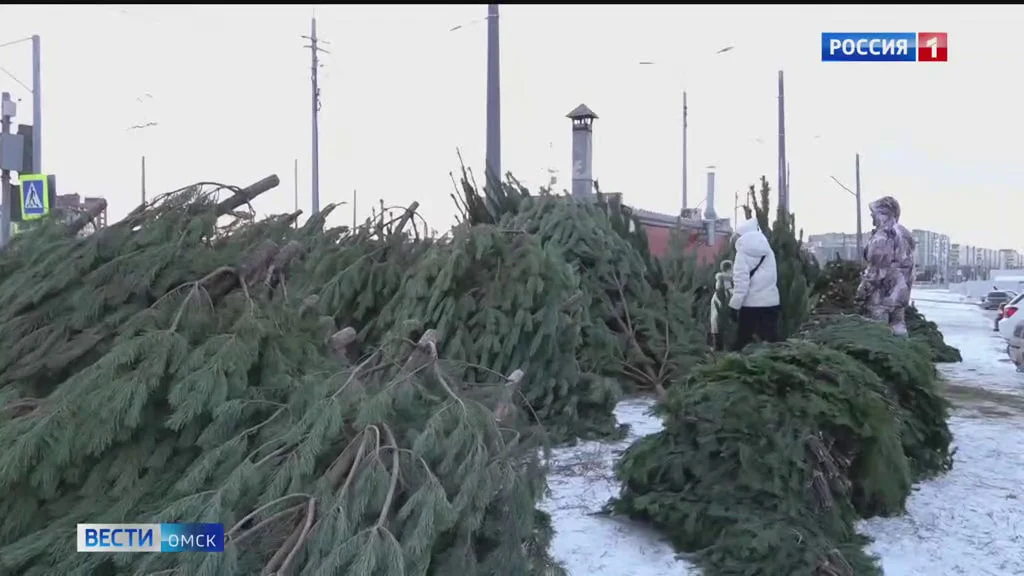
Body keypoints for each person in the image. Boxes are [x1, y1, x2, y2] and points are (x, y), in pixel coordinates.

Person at [856, 196, 915, 337]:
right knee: (898, 326)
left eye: (874, 213)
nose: (872, 217)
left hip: (882, 294)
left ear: (883, 214)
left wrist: (862, 290)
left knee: (877, 333)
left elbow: (877, 269)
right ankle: (903, 349)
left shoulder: (883, 236)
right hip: (900, 292)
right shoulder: (905, 234)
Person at [728, 218, 781, 350]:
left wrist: (734, 305)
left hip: (751, 306)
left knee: (744, 344)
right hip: (771, 303)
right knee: (771, 345)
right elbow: (772, 277)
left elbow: (741, 284)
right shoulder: (768, 252)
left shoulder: (742, 254)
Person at [708, 259, 734, 351]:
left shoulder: (722, 278)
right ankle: (718, 347)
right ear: (728, 269)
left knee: (715, 323)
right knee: (718, 323)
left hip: (717, 301)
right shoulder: (724, 279)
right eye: (732, 268)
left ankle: (717, 346)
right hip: (720, 301)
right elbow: (728, 291)